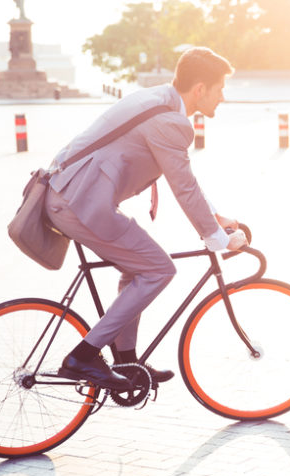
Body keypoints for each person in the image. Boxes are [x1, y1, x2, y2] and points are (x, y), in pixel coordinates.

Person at [48, 47, 246, 390]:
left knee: (140, 266)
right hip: (77, 202)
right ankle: (83, 356)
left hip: (72, 195)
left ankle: (125, 363)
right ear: (200, 89)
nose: (223, 97)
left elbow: (182, 178)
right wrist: (218, 238)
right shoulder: (171, 121)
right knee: (159, 268)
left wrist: (216, 217)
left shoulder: (160, 101)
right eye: (220, 88)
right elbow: (183, 186)